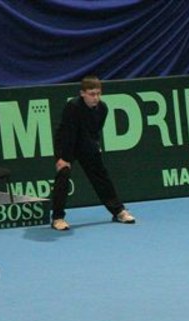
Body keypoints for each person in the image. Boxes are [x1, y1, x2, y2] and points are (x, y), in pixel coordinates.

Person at [50, 75, 136, 231]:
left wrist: (95, 146)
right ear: (82, 93)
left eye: (98, 93)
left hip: (86, 144)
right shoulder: (73, 106)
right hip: (66, 145)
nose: (95, 97)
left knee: (101, 176)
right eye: (91, 94)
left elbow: (95, 131)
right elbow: (68, 133)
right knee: (63, 176)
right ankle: (57, 218)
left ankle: (118, 211)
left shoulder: (103, 108)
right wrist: (63, 158)